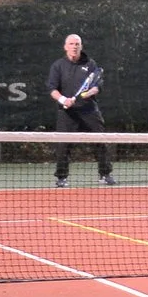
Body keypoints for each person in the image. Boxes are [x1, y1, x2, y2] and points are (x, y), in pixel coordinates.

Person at [46, 32, 113, 187]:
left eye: (77, 44)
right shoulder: (58, 66)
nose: (74, 47)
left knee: (100, 141)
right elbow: (52, 89)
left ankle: (105, 174)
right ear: (65, 47)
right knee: (63, 145)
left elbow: (97, 86)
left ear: (81, 46)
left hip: (89, 110)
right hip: (67, 113)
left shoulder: (90, 64)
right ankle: (61, 178)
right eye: (71, 44)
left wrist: (88, 93)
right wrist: (63, 99)